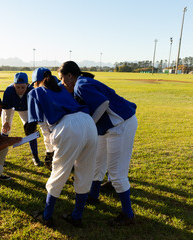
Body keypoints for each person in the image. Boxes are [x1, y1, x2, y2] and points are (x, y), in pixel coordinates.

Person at [58, 61, 138, 226]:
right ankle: (93, 196)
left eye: (63, 78)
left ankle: (128, 215)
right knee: (97, 162)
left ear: (70, 75)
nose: (62, 82)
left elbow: (104, 103)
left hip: (121, 124)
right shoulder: (81, 83)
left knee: (116, 173)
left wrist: (90, 124)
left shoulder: (80, 84)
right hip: (109, 127)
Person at [28, 67, 98, 227]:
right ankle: (76, 216)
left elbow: (40, 125)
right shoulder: (61, 88)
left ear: (36, 82)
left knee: (59, 172)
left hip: (67, 126)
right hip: (88, 122)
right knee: (85, 171)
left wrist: (50, 150)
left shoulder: (35, 92)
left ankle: (46, 216)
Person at [1, 72, 42, 166]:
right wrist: (6, 122)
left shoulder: (31, 90)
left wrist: (32, 123)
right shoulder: (9, 90)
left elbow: (34, 108)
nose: (20, 90)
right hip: (10, 109)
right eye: (17, 87)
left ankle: (35, 156)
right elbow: (7, 108)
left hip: (25, 109)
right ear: (14, 85)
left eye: (23, 87)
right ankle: (1, 157)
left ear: (27, 85)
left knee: (31, 131)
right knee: (5, 131)